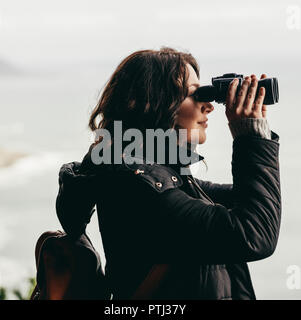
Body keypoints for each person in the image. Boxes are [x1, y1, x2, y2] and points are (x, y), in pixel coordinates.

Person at [56, 47, 281, 300]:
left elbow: (253, 202)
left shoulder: (164, 180)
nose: (209, 106)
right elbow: (255, 234)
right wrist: (250, 136)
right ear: (150, 103)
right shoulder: (141, 189)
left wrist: (256, 129)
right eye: (195, 95)